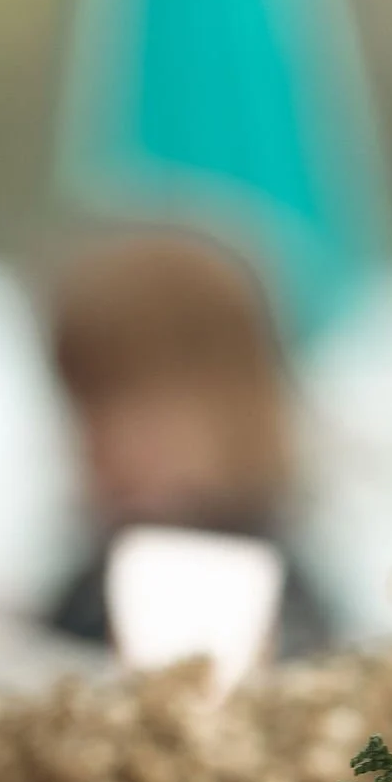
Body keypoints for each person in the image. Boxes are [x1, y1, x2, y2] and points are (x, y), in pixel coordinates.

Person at [42, 228, 331, 657]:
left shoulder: (268, 593)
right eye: (87, 407)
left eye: (140, 407)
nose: (103, 441)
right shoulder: (92, 581)